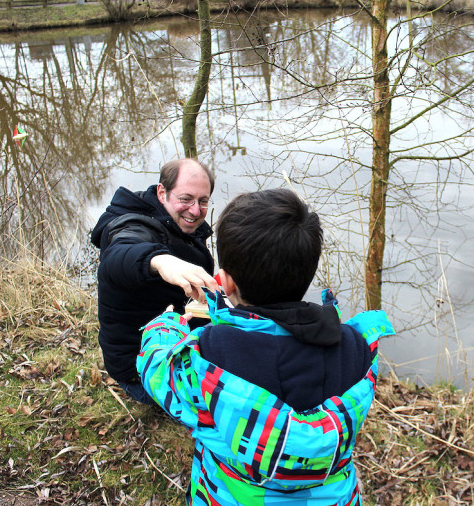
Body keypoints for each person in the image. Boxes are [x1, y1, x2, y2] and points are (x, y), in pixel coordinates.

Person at [137, 188, 396, 505]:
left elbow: (156, 371)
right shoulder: (356, 347)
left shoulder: (211, 354)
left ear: (226, 282)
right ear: (308, 270)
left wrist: (164, 325)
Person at [90, 158, 219, 405]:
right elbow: (119, 254)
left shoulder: (178, 222)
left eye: (203, 201)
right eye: (186, 199)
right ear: (162, 192)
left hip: (172, 341)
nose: (195, 210)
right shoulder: (134, 224)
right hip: (141, 371)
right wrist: (160, 261)